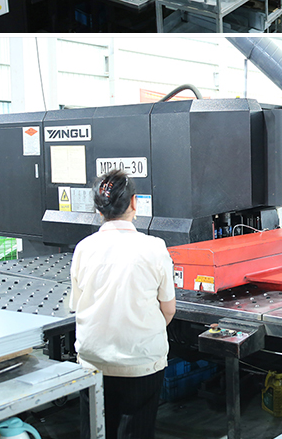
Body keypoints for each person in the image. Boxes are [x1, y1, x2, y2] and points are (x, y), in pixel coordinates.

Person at [70, 169, 176, 439]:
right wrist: (140, 329)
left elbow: (78, 304)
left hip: (93, 360)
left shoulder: (83, 248)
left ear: (98, 209)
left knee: (95, 429)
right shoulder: (155, 247)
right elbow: (168, 309)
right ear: (134, 202)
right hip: (140, 363)